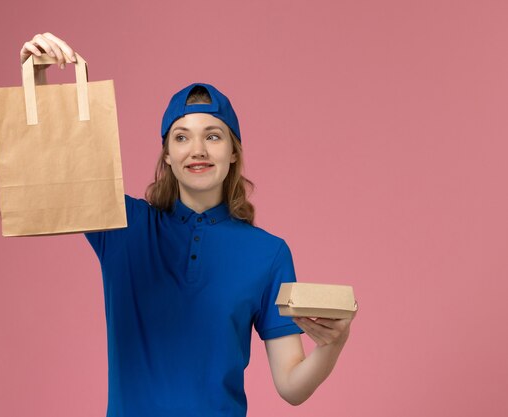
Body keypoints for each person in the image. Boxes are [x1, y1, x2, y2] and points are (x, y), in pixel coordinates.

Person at [20, 32, 356, 417]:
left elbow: (291, 386)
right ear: (167, 154)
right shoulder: (122, 226)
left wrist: (332, 346)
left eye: (212, 136)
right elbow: (51, 175)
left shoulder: (268, 254)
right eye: (182, 137)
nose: (197, 150)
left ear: (233, 153)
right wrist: (41, 83)